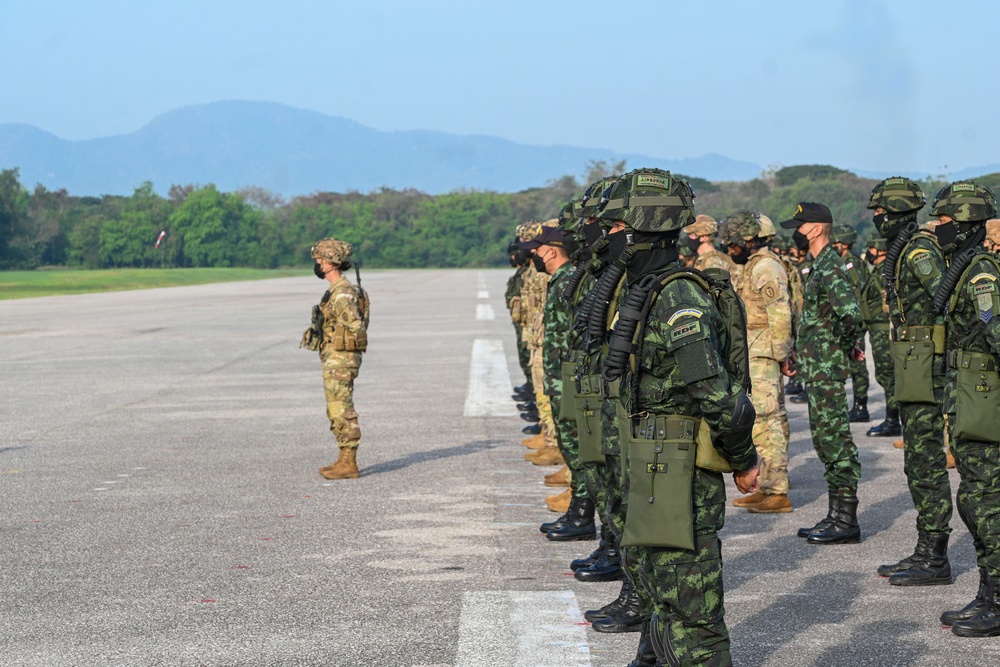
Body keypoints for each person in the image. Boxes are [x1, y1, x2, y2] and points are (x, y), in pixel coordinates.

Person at [601, 169, 760, 666]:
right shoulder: (648, 288)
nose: (605, 239)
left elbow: (719, 395)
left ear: (636, 231)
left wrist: (744, 459)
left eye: (613, 230)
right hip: (652, 459)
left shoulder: (679, 297)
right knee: (659, 591)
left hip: (679, 468)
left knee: (694, 611)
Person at [867, 177, 955, 585]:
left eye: (882, 212)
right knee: (916, 459)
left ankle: (934, 556)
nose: (878, 219)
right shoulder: (904, 249)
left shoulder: (919, 250)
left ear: (898, 212)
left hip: (925, 362)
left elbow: (946, 300)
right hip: (912, 358)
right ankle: (926, 548)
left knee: (926, 459)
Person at [930, 182, 1000, 637]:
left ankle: (996, 597)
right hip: (968, 394)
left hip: (982, 396)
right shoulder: (968, 267)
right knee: (974, 496)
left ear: (965, 223)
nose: (938, 229)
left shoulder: (981, 275)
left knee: (987, 498)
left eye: (944, 221)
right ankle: (988, 590)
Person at [780, 203, 864, 544]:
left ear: (815, 229)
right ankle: (835, 515)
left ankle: (846, 520)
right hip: (817, 366)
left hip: (826, 369)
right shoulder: (820, 265)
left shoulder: (829, 266)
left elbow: (850, 314)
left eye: (799, 226)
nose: (795, 233)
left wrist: (839, 348)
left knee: (835, 440)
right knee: (824, 441)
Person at [720, 210, 794, 513]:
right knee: (764, 420)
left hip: (763, 353)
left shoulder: (765, 267)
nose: (729, 250)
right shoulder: (753, 265)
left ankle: (777, 492)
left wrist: (781, 355)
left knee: (766, 420)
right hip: (754, 351)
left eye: (733, 244)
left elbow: (780, 314)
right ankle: (766, 485)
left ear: (748, 240)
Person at [300, 238, 368, 480]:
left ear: (329, 263)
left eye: (319, 260)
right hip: (336, 358)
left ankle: (348, 463)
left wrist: (345, 350)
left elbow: (356, 326)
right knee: (335, 408)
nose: (317, 264)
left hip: (341, 359)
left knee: (341, 408)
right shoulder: (337, 289)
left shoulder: (341, 292)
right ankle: (344, 459)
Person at [860, 233, 900, 437]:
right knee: (885, 375)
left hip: (884, 330)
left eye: (872, 248)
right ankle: (892, 417)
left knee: (889, 375)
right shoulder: (878, 271)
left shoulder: (885, 272)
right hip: (877, 330)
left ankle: (893, 420)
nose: (869, 252)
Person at [831, 225, 872, 423]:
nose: (834, 245)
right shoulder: (847, 261)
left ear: (845, 243)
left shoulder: (850, 263)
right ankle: (857, 405)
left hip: (854, 319)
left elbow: (857, 289)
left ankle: (861, 406)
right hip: (851, 318)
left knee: (857, 365)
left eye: (837, 242)